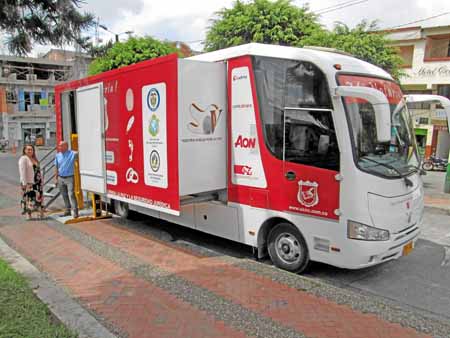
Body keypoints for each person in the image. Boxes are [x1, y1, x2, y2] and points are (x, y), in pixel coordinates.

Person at [18, 144, 44, 219]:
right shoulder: (23, 159)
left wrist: (41, 181)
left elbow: (38, 171)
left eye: (31, 149)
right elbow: (22, 172)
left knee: (39, 197)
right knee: (29, 198)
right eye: (28, 149)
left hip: (38, 183)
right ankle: (28, 215)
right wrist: (24, 183)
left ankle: (40, 213)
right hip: (29, 183)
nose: (30, 151)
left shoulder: (34, 158)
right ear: (24, 150)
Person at [54, 141, 78, 218]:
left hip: (70, 177)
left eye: (61, 146)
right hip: (61, 177)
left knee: (71, 194)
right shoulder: (57, 155)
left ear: (66, 146)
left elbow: (81, 153)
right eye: (59, 146)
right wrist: (56, 178)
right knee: (64, 195)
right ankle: (68, 210)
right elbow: (56, 167)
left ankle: (75, 211)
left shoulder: (73, 154)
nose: (59, 147)